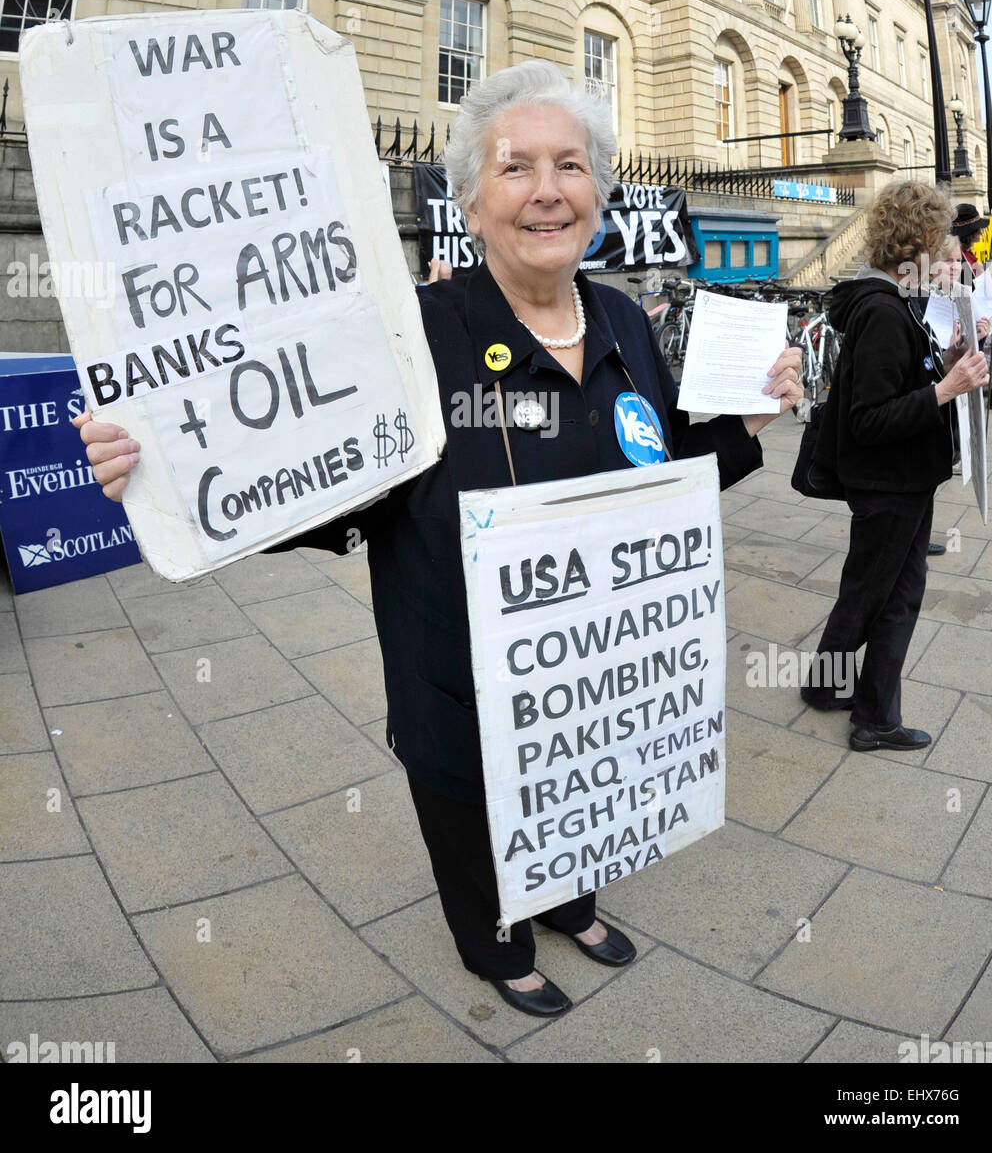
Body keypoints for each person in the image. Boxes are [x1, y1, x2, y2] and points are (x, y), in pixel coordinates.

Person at [75, 59, 802, 1019]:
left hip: (589, 672)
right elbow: (315, 488)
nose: (547, 190)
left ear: (601, 192)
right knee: (466, 805)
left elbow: (664, 476)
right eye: (515, 168)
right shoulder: (412, 335)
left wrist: (749, 423)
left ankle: (569, 901)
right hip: (454, 665)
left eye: (571, 166)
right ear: (468, 198)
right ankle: (490, 942)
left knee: (576, 791)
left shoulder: (626, 319)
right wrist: (161, 467)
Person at [800, 181, 988, 748]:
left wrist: (946, 362)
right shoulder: (882, 310)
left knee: (866, 587)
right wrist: (947, 388)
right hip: (891, 481)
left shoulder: (888, 301)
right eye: (945, 245)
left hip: (896, 479)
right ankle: (875, 720)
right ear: (918, 247)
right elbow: (870, 419)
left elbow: (896, 380)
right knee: (895, 596)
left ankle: (826, 686)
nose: (954, 257)